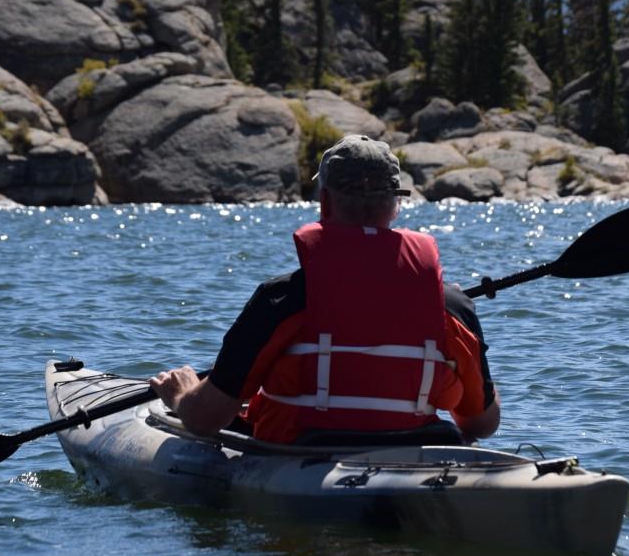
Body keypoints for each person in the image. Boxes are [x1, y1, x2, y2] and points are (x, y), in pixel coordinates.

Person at [150, 134, 500, 444]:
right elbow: (482, 424)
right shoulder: (452, 306)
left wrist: (181, 396)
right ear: (396, 204)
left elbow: (204, 420)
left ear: (325, 201)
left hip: (302, 458)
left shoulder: (282, 299)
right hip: (412, 455)